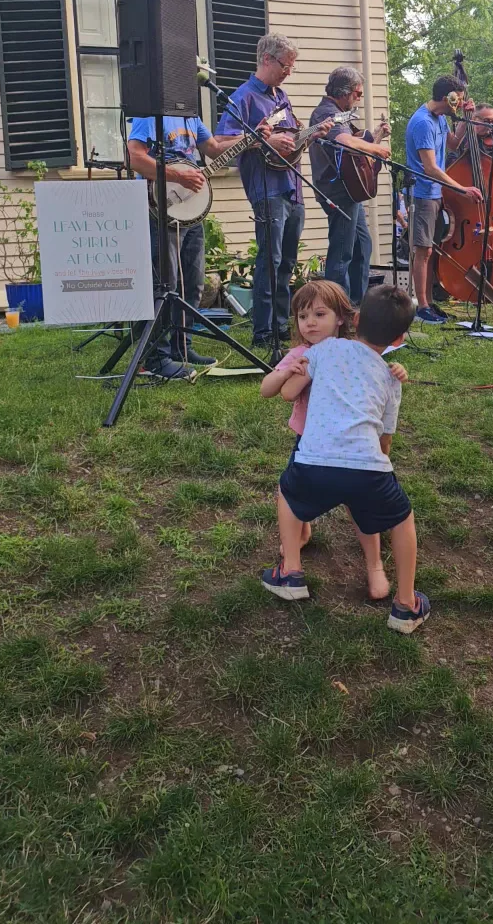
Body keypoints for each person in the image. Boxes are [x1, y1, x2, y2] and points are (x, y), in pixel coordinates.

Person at [261, 284, 431, 635]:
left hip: (314, 460)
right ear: (399, 339)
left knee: (288, 493)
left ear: (353, 319)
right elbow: (386, 439)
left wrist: (292, 374)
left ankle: (291, 572)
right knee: (401, 519)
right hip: (369, 468)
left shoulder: (324, 351)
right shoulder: (390, 377)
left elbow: (288, 393)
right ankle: (405, 604)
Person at [216, 34, 332, 347]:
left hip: (293, 187)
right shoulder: (243, 98)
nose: (289, 72)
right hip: (266, 188)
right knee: (270, 259)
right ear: (267, 59)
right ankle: (263, 332)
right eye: (286, 65)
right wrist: (261, 140)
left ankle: (281, 325)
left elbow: (291, 141)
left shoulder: (281, 96)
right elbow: (220, 146)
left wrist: (312, 134)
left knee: (287, 261)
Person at [128, 114, 243, 379]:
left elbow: (213, 148)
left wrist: (248, 139)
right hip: (160, 207)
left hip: (191, 208)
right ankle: (157, 357)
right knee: (165, 283)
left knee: (192, 281)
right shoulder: (150, 113)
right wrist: (177, 177)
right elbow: (136, 158)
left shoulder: (191, 116)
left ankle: (182, 346)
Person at [309, 66, 391, 305]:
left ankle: (358, 303)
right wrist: (378, 149)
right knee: (342, 250)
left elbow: (353, 156)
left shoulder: (339, 113)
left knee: (362, 244)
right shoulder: (325, 112)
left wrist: (375, 137)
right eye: (357, 93)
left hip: (349, 190)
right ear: (344, 92)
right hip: (337, 190)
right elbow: (344, 142)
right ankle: (337, 307)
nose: (359, 97)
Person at [404, 76, 482, 323]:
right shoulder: (423, 122)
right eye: (458, 98)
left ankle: (429, 303)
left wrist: (467, 119)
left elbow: (453, 143)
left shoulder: (439, 119)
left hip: (435, 193)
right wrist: (461, 189)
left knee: (431, 250)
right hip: (422, 193)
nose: (459, 103)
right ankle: (421, 307)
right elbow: (430, 167)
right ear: (447, 96)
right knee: (423, 249)